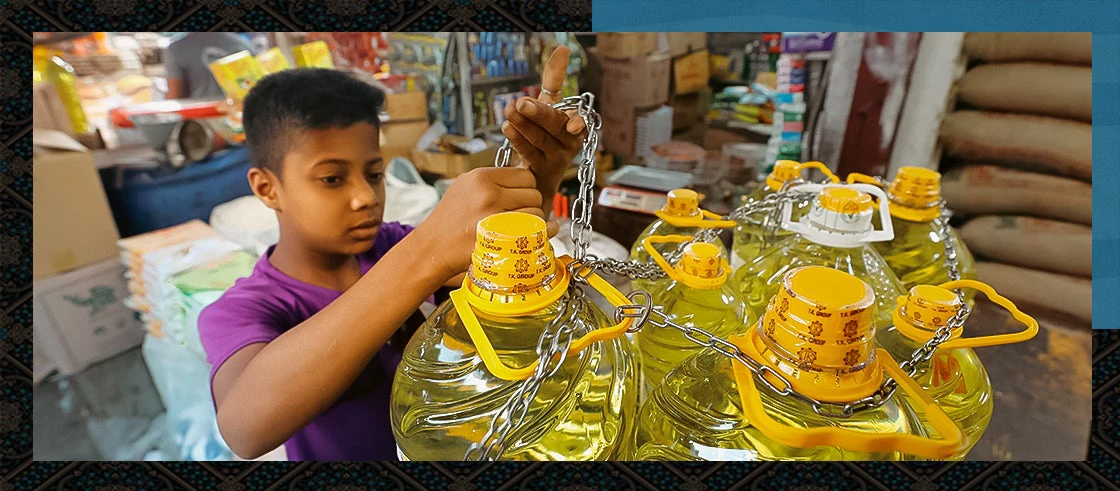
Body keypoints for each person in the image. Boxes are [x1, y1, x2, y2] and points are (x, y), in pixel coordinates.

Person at [198, 47, 587, 461]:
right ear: (266, 188)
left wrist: (541, 173)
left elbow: (509, 272)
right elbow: (244, 428)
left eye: (374, 174)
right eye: (332, 179)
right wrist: (426, 253)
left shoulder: (394, 244)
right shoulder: (245, 309)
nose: (365, 197)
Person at [163, 33, 258, 100]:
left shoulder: (177, 49)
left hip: (199, 119)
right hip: (236, 116)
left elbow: (175, 95)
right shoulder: (244, 45)